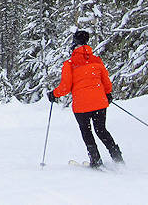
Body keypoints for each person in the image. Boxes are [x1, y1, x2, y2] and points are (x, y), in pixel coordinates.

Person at [47, 30, 123, 168]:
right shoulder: (96, 60)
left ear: (74, 43)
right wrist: (107, 94)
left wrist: (54, 94)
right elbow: (106, 82)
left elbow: (65, 87)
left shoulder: (70, 63)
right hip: (100, 103)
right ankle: (117, 157)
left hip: (82, 105)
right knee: (101, 130)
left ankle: (96, 160)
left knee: (86, 131)